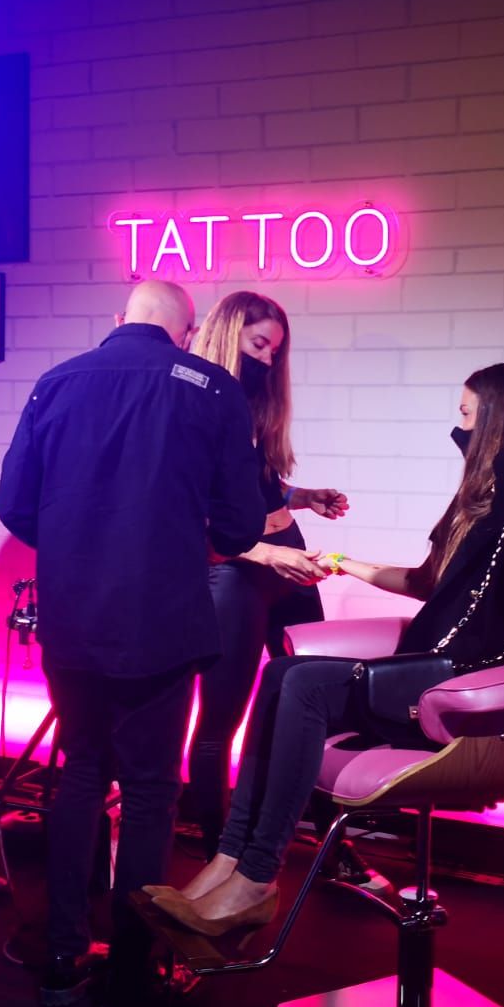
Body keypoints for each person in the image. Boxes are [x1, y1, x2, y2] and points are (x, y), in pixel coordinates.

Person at [148, 361, 504, 934]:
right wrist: (342, 563)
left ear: (500, 419)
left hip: (472, 695)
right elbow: (427, 583)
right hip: (428, 674)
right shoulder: (493, 502)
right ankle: (229, 860)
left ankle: (256, 879)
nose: (460, 431)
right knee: (283, 673)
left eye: (467, 417)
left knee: (304, 684)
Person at [0, 279, 264, 1007]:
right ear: (188, 331)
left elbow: (13, 503)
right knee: (149, 790)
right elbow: (241, 526)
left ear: (120, 319)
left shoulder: (56, 382)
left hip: (73, 618)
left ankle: (62, 953)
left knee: (82, 773)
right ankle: (134, 971)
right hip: (162, 622)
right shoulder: (211, 387)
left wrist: (78, 541)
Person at [186, 290, 348, 859]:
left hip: (284, 551)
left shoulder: (251, 402)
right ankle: (219, 855)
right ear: (229, 332)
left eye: (275, 351)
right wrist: (261, 552)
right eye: (259, 344)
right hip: (238, 567)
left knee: (316, 703)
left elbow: (251, 482)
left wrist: (299, 497)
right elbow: (193, 507)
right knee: (220, 720)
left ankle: (329, 847)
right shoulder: (194, 399)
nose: (267, 359)